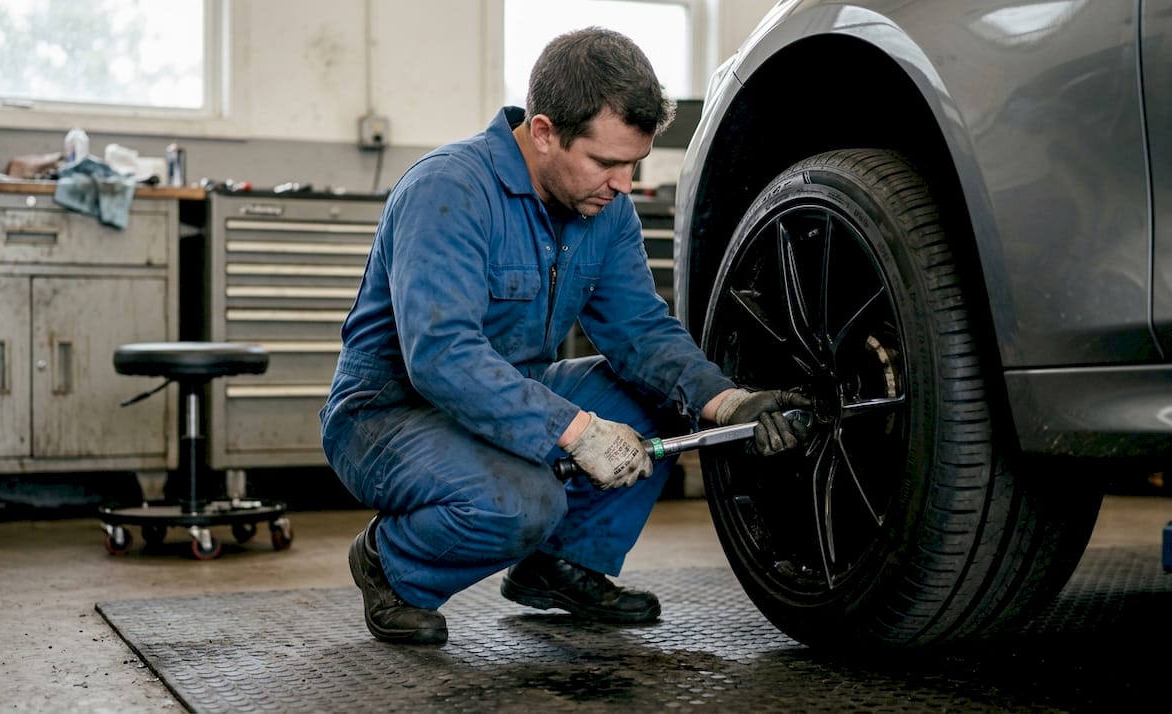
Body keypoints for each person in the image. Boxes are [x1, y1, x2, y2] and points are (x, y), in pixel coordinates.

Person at [320, 26, 810, 646]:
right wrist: (575, 432)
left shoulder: (607, 210)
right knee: (526, 503)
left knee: (664, 399)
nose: (625, 184)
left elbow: (639, 331)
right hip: (388, 416)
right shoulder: (448, 191)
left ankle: (561, 567)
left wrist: (728, 402)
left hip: (514, 392)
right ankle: (393, 567)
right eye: (606, 162)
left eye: (633, 163)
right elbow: (442, 357)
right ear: (544, 132)